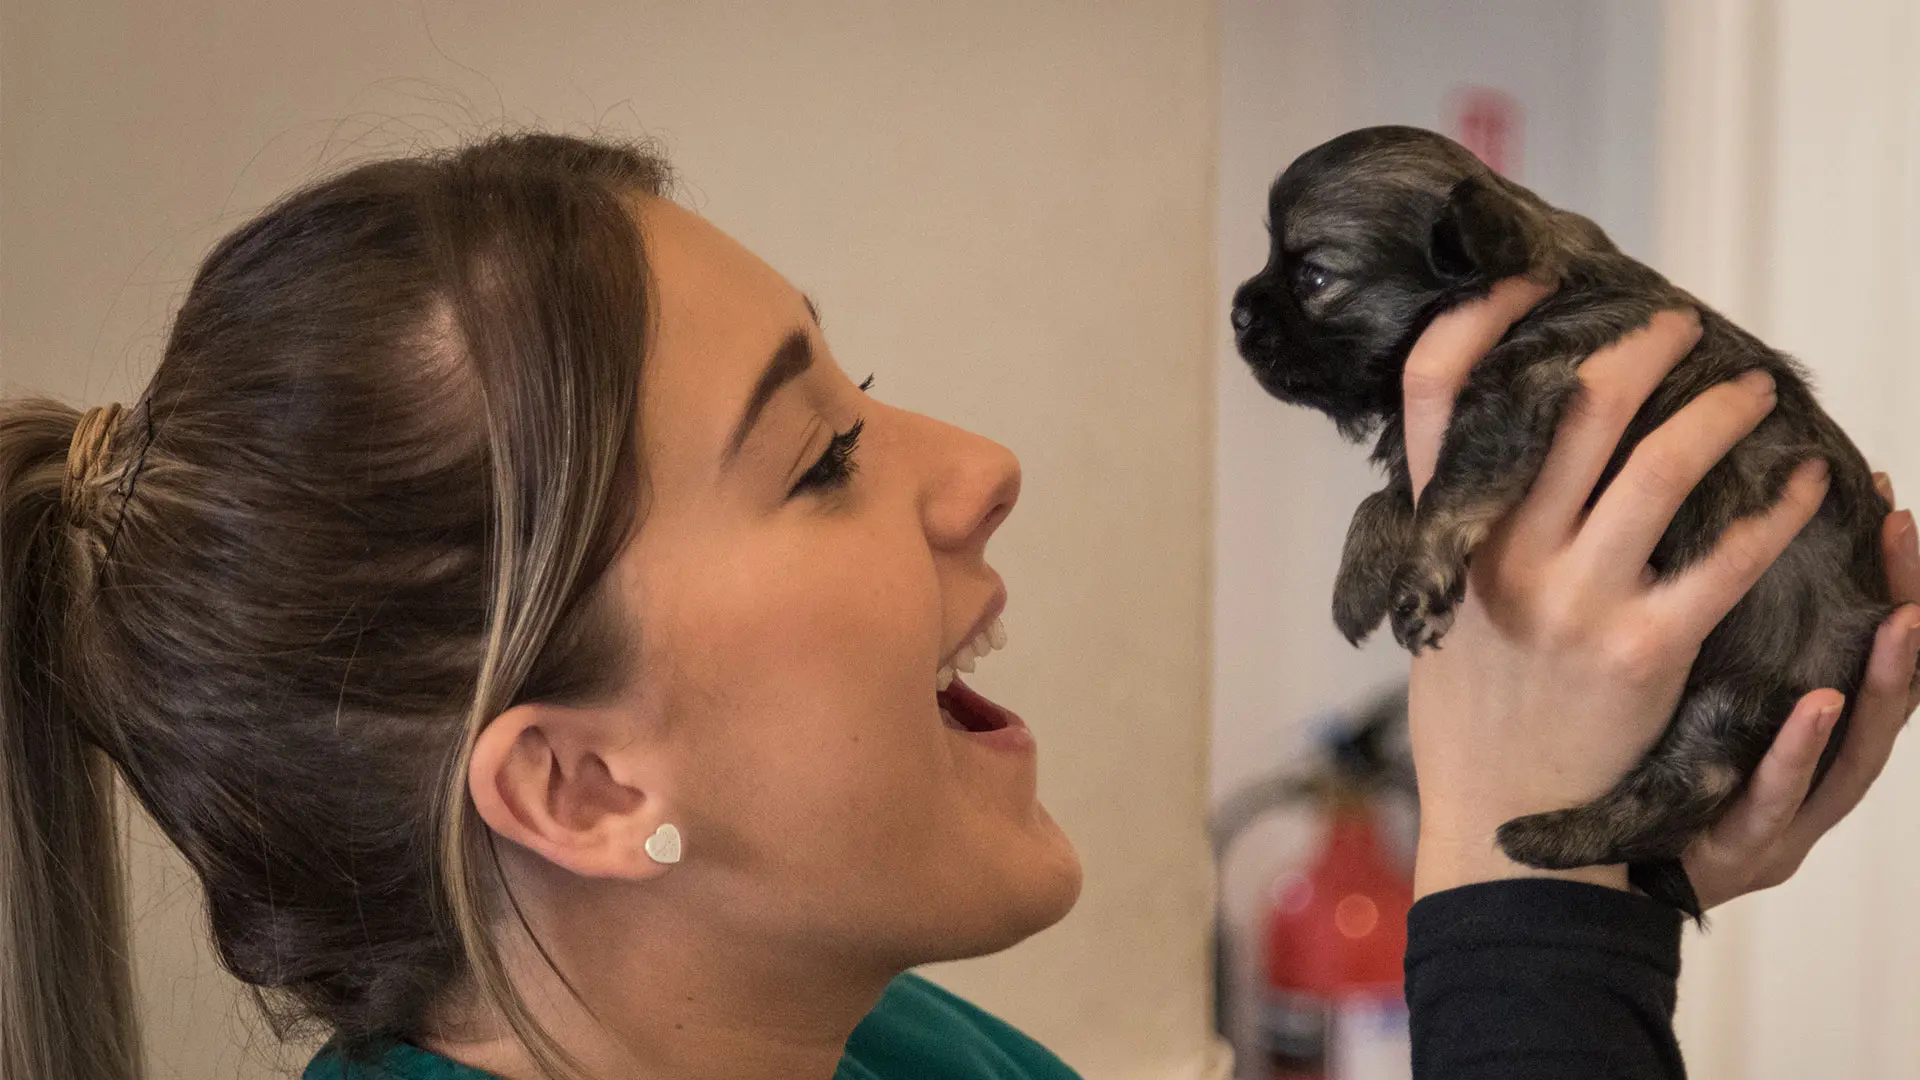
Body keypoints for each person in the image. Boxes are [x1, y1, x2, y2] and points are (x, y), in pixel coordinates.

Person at [0, 134, 1909, 1080]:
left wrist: (1613, 866)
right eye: (819, 454)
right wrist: (1531, 923)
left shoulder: (903, 1048)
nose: (978, 459)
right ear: (577, 787)